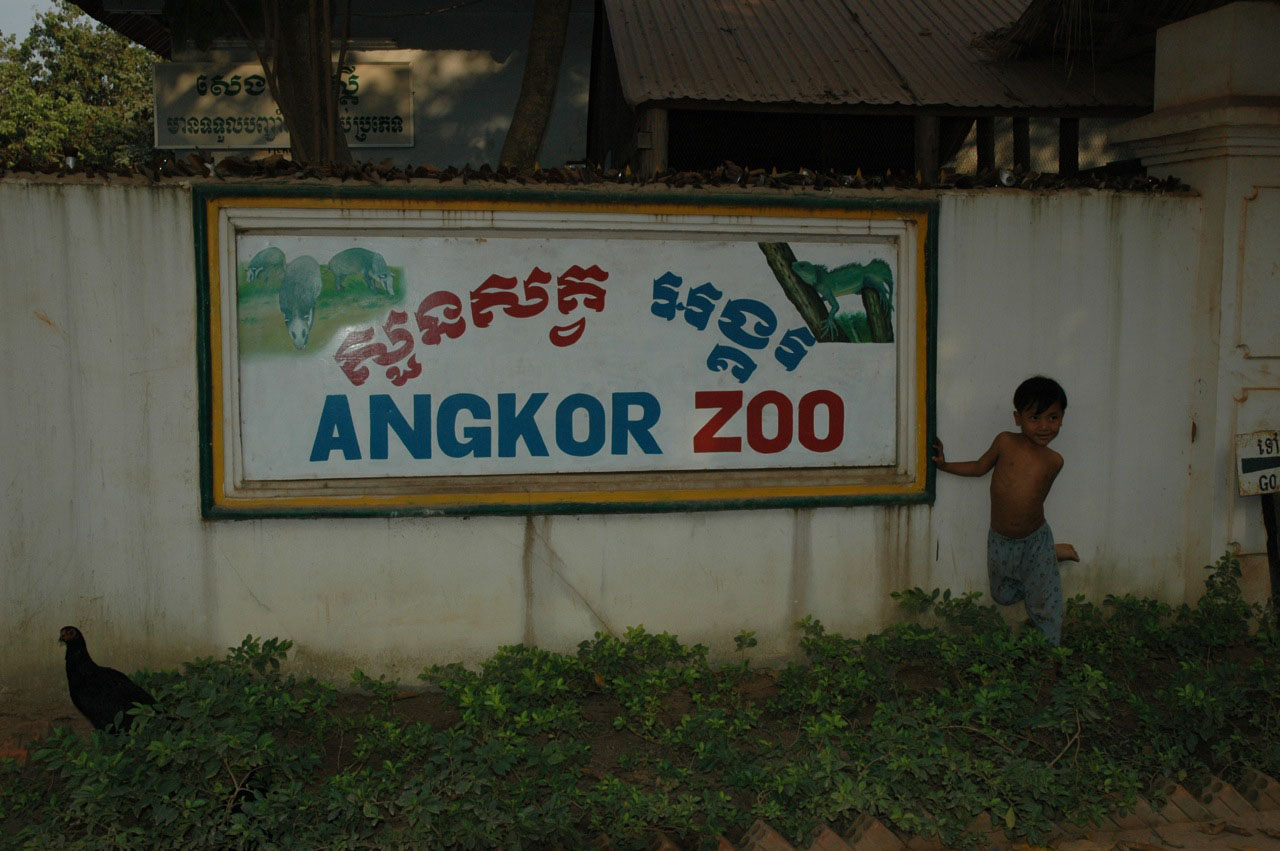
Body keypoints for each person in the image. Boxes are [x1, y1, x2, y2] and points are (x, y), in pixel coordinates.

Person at [932, 376, 1078, 645]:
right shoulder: (1005, 442)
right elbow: (978, 468)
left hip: (1035, 538)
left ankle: (1050, 654)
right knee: (1002, 593)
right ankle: (1052, 554)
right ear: (1017, 418)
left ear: (1061, 418)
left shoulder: (1054, 461)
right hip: (1000, 538)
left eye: (1053, 418)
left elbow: (1034, 500)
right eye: (1035, 418)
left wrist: (1039, 550)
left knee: (1044, 600)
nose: (1045, 426)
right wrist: (944, 465)